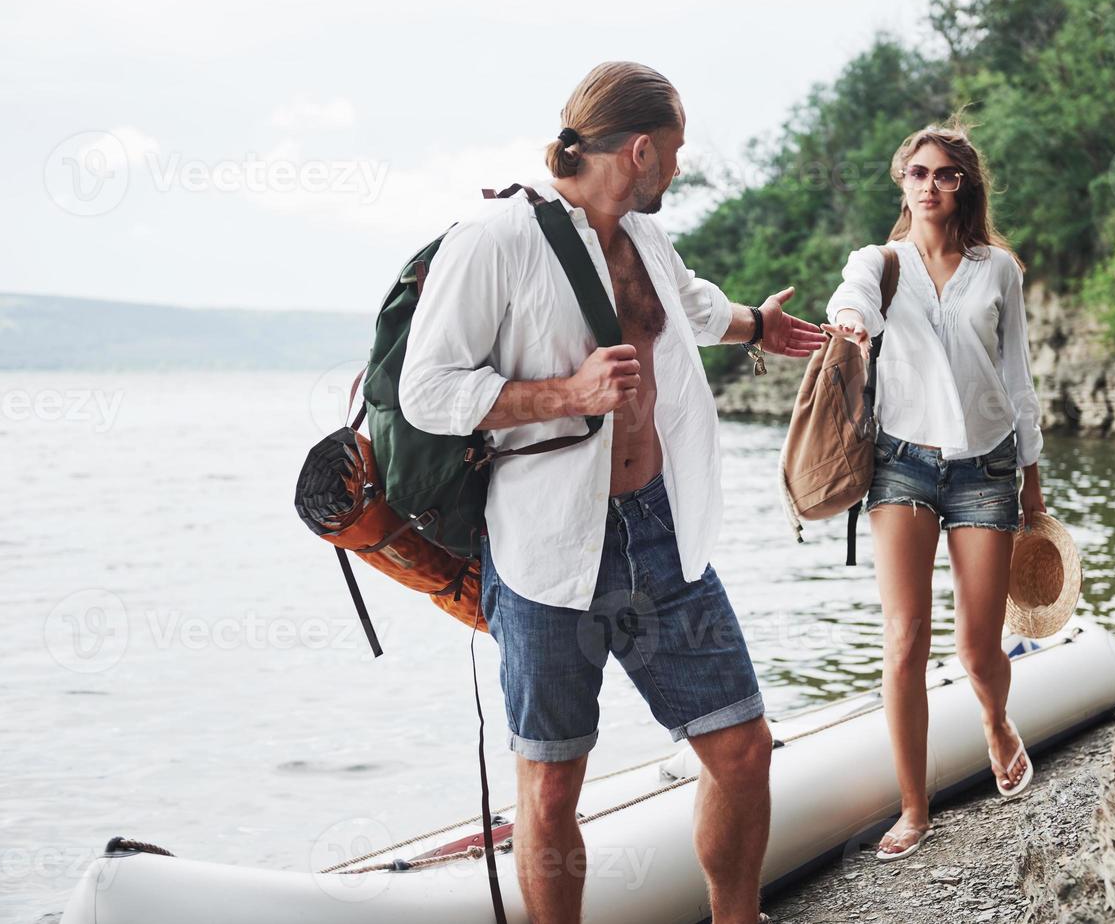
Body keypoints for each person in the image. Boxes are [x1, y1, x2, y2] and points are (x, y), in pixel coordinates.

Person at [398, 61, 826, 924]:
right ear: (640, 149)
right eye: (673, 152)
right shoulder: (494, 240)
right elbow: (427, 390)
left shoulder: (643, 237)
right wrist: (568, 394)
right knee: (552, 790)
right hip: (549, 552)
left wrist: (757, 325)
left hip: (661, 535)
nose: (677, 167)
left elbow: (690, 308)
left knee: (741, 750)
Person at [821, 120, 1047, 862]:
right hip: (901, 465)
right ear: (901, 181)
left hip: (986, 467)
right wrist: (850, 319)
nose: (929, 185)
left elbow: (1017, 380)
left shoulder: (997, 270)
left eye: (945, 174)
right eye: (917, 173)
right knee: (903, 640)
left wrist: (1033, 492)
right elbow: (852, 296)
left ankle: (995, 721)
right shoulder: (879, 263)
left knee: (980, 649)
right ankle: (913, 808)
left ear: (964, 186)